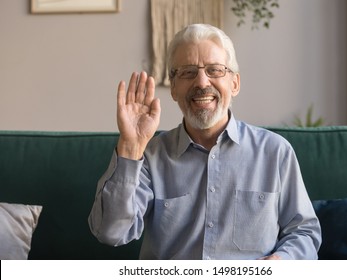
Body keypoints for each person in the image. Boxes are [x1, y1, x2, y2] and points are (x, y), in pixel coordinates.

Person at [88, 23, 321, 260]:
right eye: (188, 72)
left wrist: (280, 263)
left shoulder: (275, 152)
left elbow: (304, 232)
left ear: (235, 83)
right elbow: (112, 233)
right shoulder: (150, 156)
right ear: (174, 88)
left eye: (215, 70)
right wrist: (130, 146)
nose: (201, 83)